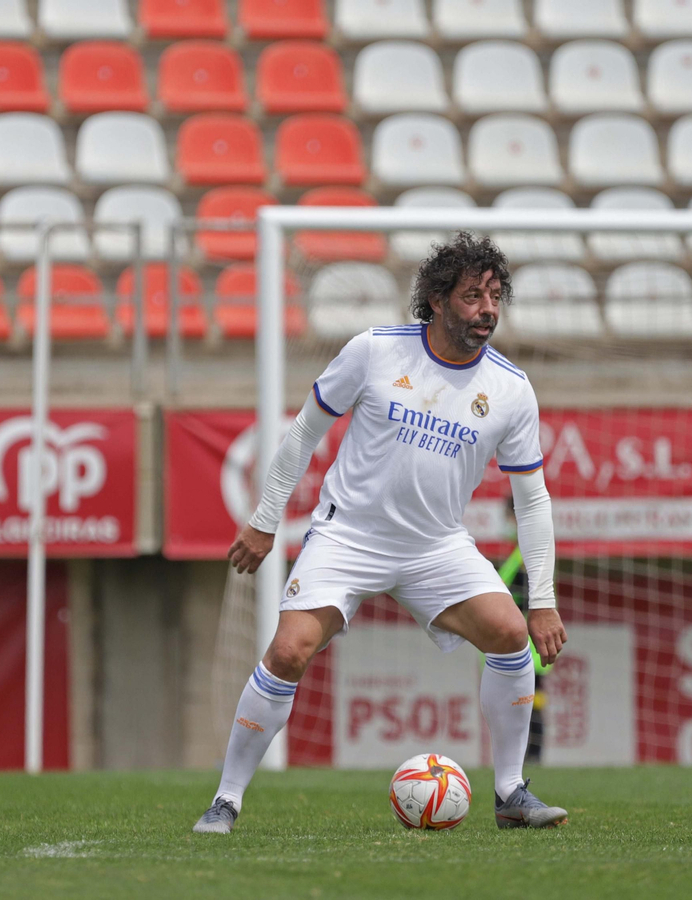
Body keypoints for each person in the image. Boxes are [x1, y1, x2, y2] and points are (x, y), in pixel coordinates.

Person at [193, 233, 568, 835]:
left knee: (509, 632)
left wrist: (543, 600)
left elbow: (533, 496)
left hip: (437, 545)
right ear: (437, 299)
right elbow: (302, 433)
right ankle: (226, 800)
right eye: (473, 296)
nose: (488, 309)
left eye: (496, 296)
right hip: (349, 537)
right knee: (287, 651)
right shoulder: (375, 351)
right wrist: (266, 519)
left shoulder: (512, 389)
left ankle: (510, 792)